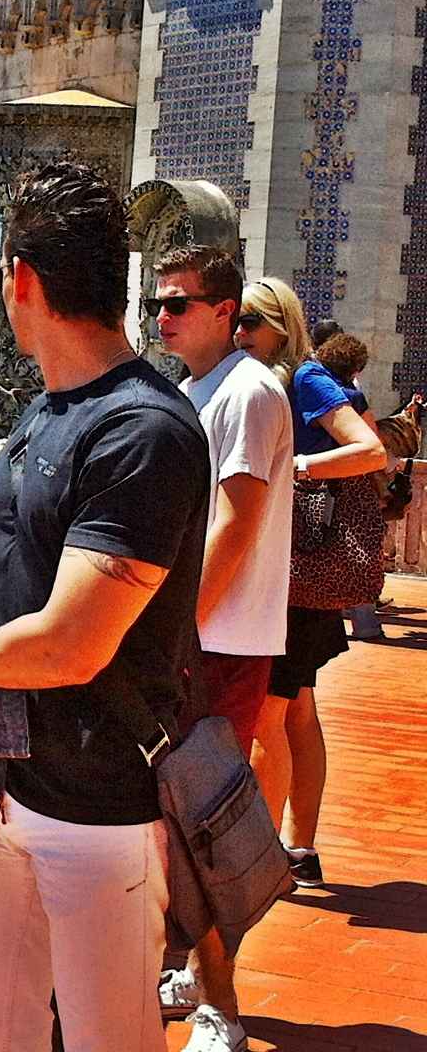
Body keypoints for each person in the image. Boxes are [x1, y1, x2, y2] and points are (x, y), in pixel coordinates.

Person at [0, 161, 209, 1052]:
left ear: (20, 280)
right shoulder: (48, 411)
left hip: (100, 805)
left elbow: (70, 646)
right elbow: (15, 540)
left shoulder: (143, 431)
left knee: (109, 1041)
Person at [150, 247, 295, 1050]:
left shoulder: (248, 392)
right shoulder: (193, 393)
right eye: (156, 303)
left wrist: (169, 632)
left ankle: (221, 1008)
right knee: (170, 823)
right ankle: (189, 974)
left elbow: (235, 529)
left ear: (223, 311)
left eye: (178, 303)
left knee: (204, 827)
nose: (162, 317)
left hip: (221, 645)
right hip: (199, 641)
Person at [236, 284, 387, 891]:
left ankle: (263, 858)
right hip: (289, 572)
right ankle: (298, 847)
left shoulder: (304, 378)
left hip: (298, 571)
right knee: (297, 707)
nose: (239, 331)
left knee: (270, 712)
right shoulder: (259, 380)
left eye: (251, 320)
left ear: (282, 325)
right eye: (234, 319)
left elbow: (370, 449)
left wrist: (296, 467)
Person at [316, 332, 384, 640]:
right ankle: (365, 624)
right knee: (356, 552)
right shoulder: (352, 398)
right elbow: (372, 440)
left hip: (312, 485)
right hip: (350, 485)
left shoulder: (308, 388)